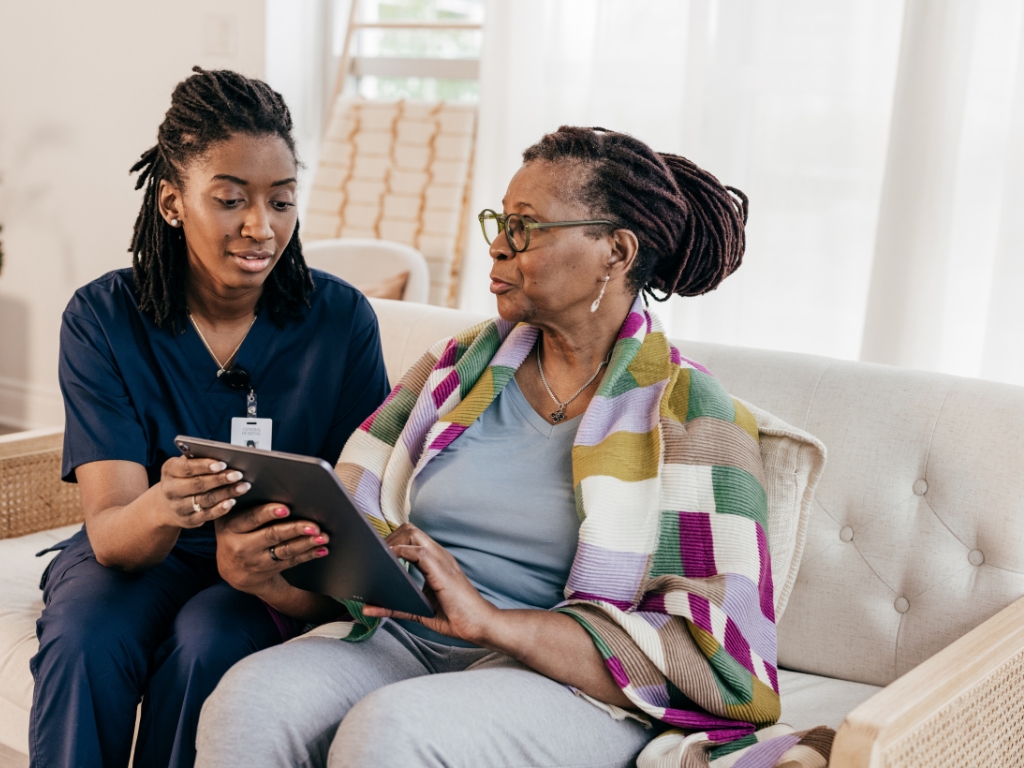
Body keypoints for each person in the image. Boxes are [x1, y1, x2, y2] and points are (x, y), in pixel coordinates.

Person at [196, 126, 827, 768]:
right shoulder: (456, 370)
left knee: (392, 731)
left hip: (574, 685)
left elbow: (709, 656)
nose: (497, 247)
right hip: (409, 635)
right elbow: (362, 554)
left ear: (616, 250)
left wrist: (493, 622)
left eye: (525, 227)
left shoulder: (693, 415)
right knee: (248, 701)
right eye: (499, 221)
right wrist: (273, 579)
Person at [29, 67, 389, 768]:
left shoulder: (341, 321)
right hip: (146, 544)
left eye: (282, 201)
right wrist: (169, 504)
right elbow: (114, 538)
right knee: (84, 636)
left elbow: (364, 511)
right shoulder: (103, 318)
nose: (262, 227)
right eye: (230, 200)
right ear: (171, 202)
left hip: (268, 567)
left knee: (209, 641)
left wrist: (277, 570)